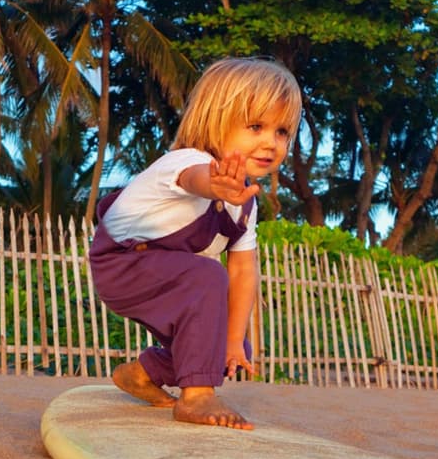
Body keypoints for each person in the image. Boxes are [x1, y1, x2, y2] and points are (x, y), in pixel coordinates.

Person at [88, 57, 301, 430]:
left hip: (168, 274)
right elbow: (195, 179)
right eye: (256, 126)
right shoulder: (185, 161)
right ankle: (197, 397)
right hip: (121, 263)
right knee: (207, 274)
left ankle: (141, 374)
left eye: (282, 132)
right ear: (215, 121)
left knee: (229, 347)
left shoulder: (246, 206)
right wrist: (214, 184)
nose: (271, 142)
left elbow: (244, 268)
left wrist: (234, 341)